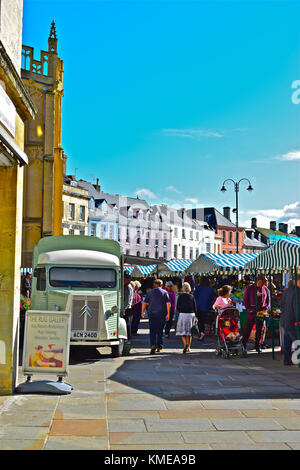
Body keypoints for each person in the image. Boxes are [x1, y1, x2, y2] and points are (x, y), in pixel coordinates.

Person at [242, 274, 270, 354]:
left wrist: (266, 307)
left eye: (262, 282)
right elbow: (245, 299)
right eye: (259, 281)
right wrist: (249, 308)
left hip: (261, 312)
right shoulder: (250, 288)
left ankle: (257, 345)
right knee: (248, 328)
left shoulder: (265, 289)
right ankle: (244, 344)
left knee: (259, 329)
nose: (260, 283)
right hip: (252, 311)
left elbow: (268, 300)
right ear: (257, 281)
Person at [141, 279, 171, 354]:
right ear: (161, 285)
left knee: (152, 330)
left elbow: (144, 303)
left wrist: (143, 312)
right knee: (160, 330)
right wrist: (168, 313)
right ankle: (159, 347)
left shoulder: (150, 292)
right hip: (161, 313)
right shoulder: (164, 292)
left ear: (154, 284)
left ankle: (152, 345)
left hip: (152, 313)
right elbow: (168, 304)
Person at [280, 279, 299, 365]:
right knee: (297, 341)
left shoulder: (286, 292)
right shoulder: (297, 292)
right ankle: (297, 360)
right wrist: (298, 319)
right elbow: (297, 307)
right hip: (293, 321)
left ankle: (287, 360)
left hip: (285, 320)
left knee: (287, 343)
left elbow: (282, 306)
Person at [176, 282, 197, 353]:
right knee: (189, 333)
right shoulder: (192, 296)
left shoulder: (180, 296)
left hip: (183, 314)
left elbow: (178, 306)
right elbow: (195, 307)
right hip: (191, 314)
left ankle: (185, 344)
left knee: (183, 332)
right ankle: (188, 348)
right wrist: (196, 316)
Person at [193, 276, 215, 341]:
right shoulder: (210, 289)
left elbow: (194, 296)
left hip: (198, 307)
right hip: (207, 307)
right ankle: (204, 333)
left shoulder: (198, 288)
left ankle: (201, 334)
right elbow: (211, 298)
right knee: (205, 321)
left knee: (200, 322)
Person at [123, 272, 134, 341]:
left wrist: (124, 309)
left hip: (127, 308)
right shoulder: (126, 286)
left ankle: (128, 338)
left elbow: (127, 300)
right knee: (126, 322)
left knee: (126, 323)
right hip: (126, 307)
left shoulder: (127, 287)